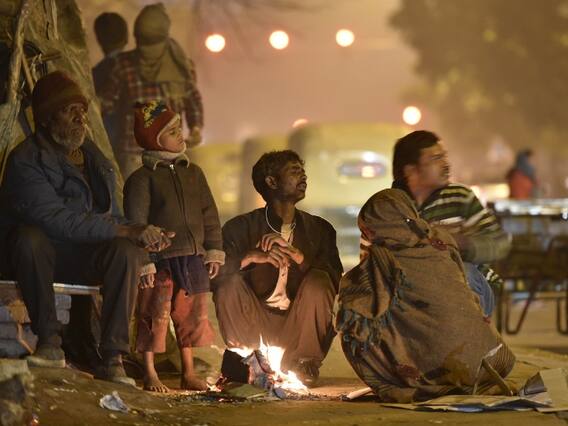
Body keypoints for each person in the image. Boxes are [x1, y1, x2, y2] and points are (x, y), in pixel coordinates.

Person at [0, 71, 173, 385]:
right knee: (29, 238)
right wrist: (125, 231)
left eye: (82, 109)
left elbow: (111, 216)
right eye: (70, 111)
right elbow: (57, 220)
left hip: (81, 255)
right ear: (46, 119)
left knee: (125, 250)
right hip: (39, 258)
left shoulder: (93, 157)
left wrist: (143, 231)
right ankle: (50, 343)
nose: (81, 118)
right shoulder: (25, 160)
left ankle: (113, 358)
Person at [337, 189, 516, 402]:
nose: (366, 236)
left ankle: (413, 381)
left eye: (366, 229)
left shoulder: (382, 258)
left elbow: (360, 305)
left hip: (446, 367)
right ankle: (474, 378)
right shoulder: (442, 241)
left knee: (354, 323)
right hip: (491, 361)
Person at [212, 150, 343, 386]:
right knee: (228, 283)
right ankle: (247, 362)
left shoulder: (320, 229)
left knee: (320, 280)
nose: (303, 176)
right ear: (272, 182)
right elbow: (213, 273)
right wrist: (251, 257)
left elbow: (336, 280)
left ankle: (305, 362)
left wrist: (299, 257)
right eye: (295, 171)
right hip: (254, 324)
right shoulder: (240, 227)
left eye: (303, 171)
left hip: (299, 327)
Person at [124, 100, 224, 392]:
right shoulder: (142, 179)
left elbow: (209, 214)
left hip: (192, 257)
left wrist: (213, 249)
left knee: (189, 315)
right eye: (171, 131)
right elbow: (136, 224)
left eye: (179, 127)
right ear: (154, 140)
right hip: (159, 259)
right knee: (153, 314)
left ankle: (188, 372)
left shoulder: (194, 173)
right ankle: (150, 372)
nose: (180, 134)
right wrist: (143, 261)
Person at [385, 130, 511, 317]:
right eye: (436, 158)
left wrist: (461, 243)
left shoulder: (460, 197)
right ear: (411, 171)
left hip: (471, 285)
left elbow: (500, 243)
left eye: (444, 156)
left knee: (460, 273)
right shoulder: (390, 208)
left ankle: (466, 332)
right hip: (416, 291)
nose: (446, 164)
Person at [100, 2, 203, 179]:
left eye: (152, 42)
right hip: (135, 155)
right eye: (143, 41)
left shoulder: (182, 68)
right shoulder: (124, 66)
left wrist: (195, 128)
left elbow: (193, 100)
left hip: (172, 154)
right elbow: (106, 104)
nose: (146, 49)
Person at [92, 12, 128, 147]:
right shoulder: (138, 66)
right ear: (126, 37)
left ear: (99, 40)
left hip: (108, 143)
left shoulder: (94, 74)